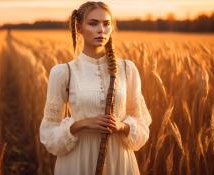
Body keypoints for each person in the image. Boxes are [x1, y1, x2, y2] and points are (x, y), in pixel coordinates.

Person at [39, 1, 152, 175]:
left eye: (106, 24)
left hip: (119, 161)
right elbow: (48, 131)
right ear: (79, 28)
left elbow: (142, 122)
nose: (101, 29)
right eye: (93, 23)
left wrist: (122, 126)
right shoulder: (64, 72)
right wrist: (82, 124)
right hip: (77, 160)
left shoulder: (128, 69)